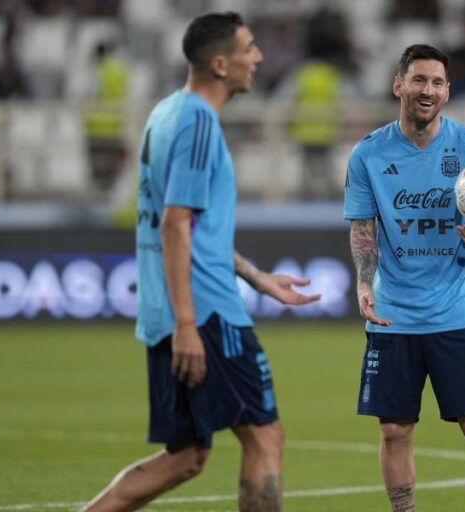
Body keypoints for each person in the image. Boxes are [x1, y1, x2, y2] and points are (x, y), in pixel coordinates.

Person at [82, 12, 320, 512]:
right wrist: (188, 324)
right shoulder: (198, 123)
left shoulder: (165, 113)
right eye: (249, 48)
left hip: (167, 308)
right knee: (264, 437)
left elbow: (189, 228)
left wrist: (257, 278)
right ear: (219, 63)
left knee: (186, 456)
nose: (257, 58)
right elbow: (173, 223)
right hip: (205, 312)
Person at [343, 44, 465, 512]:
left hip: (457, 309)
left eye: (437, 82)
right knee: (394, 428)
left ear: (448, 91)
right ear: (398, 85)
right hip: (394, 312)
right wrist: (362, 283)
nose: (427, 90)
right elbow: (363, 228)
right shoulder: (369, 154)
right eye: (418, 80)